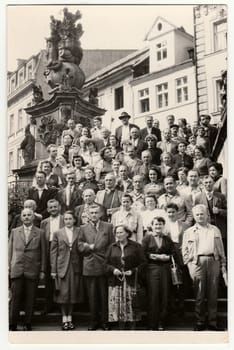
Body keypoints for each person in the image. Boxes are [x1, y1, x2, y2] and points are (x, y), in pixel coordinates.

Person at [182, 204, 226, 331]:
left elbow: (221, 248)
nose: (200, 216)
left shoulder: (215, 229)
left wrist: (223, 264)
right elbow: (184, 250)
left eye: (202, 214)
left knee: (213, 293)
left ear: (207, 215)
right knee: (199, 293)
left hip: (214, 260)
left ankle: (212, 322)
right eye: (197, 214)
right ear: (194, 217)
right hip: (197, 262)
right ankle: (200, 321)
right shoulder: (189, 231)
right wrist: (190, 264)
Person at [78, 204, 114, 330]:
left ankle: (105, 321)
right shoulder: (82, 228)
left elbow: (112, 245)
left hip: (104, 264)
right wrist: (89, 247)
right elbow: (79, 245)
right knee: (92, 296)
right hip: (90, 263)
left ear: (100, 214)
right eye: (91, 213)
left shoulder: (108, 226)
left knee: (104, 296)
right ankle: (93, 321)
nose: (94, 215)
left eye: (96, 212)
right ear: (87, 214)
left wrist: (109, 261)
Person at [9, 208, 46, 331]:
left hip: (32, 268)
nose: (26, 217)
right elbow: (10, 250)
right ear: (21, 217)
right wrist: (9, 266)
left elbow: (43, 253)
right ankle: (12, 323)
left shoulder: (40, 232)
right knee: (15, 298)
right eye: (24, 215)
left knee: (31, 297)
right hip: (17, 267)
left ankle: (28, 322)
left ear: (33, 217)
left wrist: (42, 270)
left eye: (29, 215)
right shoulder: (14, 231)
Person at [104, 224, 146, 329]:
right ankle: (121, 328)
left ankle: (132, 328)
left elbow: (144, 263)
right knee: (117, 307)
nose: (118, 235)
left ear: (127, 233)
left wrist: (132, 271)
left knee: (131, 305)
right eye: (117, 233)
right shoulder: (112, 247)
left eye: (121, 232)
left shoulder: (136, 246)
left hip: (131, 281)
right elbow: (105, 264)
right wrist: (113, 270)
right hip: (116, 282)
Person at [142, 216, 177, 330]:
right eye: (156, 224)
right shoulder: (147, 238)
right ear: (152, 226)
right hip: (152, 269)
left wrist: (167, 257)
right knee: (153, 295)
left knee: (164, 295)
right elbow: (142, 254)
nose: (158, 226)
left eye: (160, 224)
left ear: (163, 226)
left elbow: (173, 253)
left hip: (165, 269)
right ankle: (152, 323)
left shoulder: (167, 239)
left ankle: (162, 322)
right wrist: (153, 256)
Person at [50, 211, 83, 330]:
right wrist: (53, 270)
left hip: (75, 266)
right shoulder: (57, 233)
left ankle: (70, 317)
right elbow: (53, 252)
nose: (68, 221)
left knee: (72, 293)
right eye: (66, 219)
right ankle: (64, 318)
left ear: (74, 220)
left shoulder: (80, 231)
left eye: (70, 219)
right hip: (61, 266)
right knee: (63, 294)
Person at [164, 203, 189, 315]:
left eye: (173, 212)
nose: (171, 214)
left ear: (177, 213)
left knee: (182, 278)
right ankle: (171, 304)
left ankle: (182, 303)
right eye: (169, 212)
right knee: (169, 279)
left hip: (181, 254)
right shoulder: (163, 226)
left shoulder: (184, 225)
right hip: (168, 254)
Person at [40, 199, 64, 314]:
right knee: (49, 279)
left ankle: (61, 304)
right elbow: (42, 239)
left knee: (61, 278)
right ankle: (48, 305)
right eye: (51, 207)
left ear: (59, 207)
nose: (53, 209)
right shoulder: (44, 222)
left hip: (62, 249)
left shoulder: (65, 219)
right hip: (49, 249)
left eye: (55, 207)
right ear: (48, 209)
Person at [194, 175, 227, 252]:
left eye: (210, 182)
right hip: (205, 229)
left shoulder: (220, 196)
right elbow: (195, 214)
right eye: (206, 183)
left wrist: (219, 211)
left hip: (220, 228)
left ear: (214, 183)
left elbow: (229, 212)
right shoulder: (198, 198)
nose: (208, 184)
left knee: (222, 251)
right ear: (202, 184)